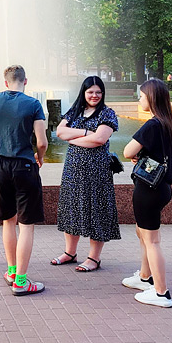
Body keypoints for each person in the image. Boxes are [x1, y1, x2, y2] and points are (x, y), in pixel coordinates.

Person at [0, 65, 48, 296]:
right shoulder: (33, 104)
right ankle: (21, 281)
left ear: (6, 82)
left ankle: (11, 271)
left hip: (0, 165)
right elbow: (41, 141)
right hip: (24, 165)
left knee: (8, 221)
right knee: (26, 224)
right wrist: (40, 158)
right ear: (25, 81)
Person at [52, 75, 120, 272]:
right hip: (73, 170)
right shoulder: (75, 111)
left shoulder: (107, 113)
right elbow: (60, 132)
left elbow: (100, 139)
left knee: (96, 210)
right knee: (71, 207)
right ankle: (70, 253)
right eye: (90, 92)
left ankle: (94, 258)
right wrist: (85, 134)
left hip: (97, 171)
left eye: (98, 92)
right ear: (83, 92)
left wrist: (73, 138)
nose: (95, 95)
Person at [122, 78, 172, 308]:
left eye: (142, 96)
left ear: (152, 98)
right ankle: (145, 277)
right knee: (142, 232)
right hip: (162, 187)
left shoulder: (153, 125)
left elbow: (127, 151)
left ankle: (161, 292)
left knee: (152, 240)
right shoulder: (168, 124)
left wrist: (137, 152)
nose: (139, 99)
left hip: (148, 189)